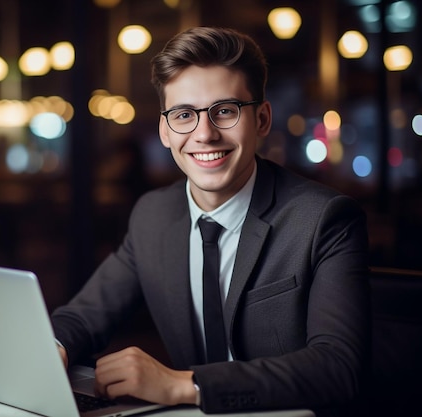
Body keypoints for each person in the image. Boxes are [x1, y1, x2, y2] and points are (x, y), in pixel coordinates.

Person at [51, 26, 370, 416]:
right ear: (165, 132)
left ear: (263, 119)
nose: (204, 134)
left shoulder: (324, 219)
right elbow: (83, 316)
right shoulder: (152, 215)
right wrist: (52, 351)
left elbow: (337, 367)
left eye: (225, 111)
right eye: (184, 115)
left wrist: (182, 384)